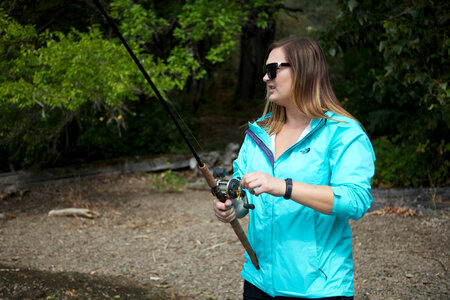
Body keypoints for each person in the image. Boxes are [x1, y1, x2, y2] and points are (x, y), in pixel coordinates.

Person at [213, 36, 375, 299]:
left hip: (319, 289)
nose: (266, 78)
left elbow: (356, 200)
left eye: (273, 70)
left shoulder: (343, 133)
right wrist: (231, 206)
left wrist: (284, 187)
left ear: (303, 71)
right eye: (264, 71)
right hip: (258, 283)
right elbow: (243, 196)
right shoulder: (258, 134)